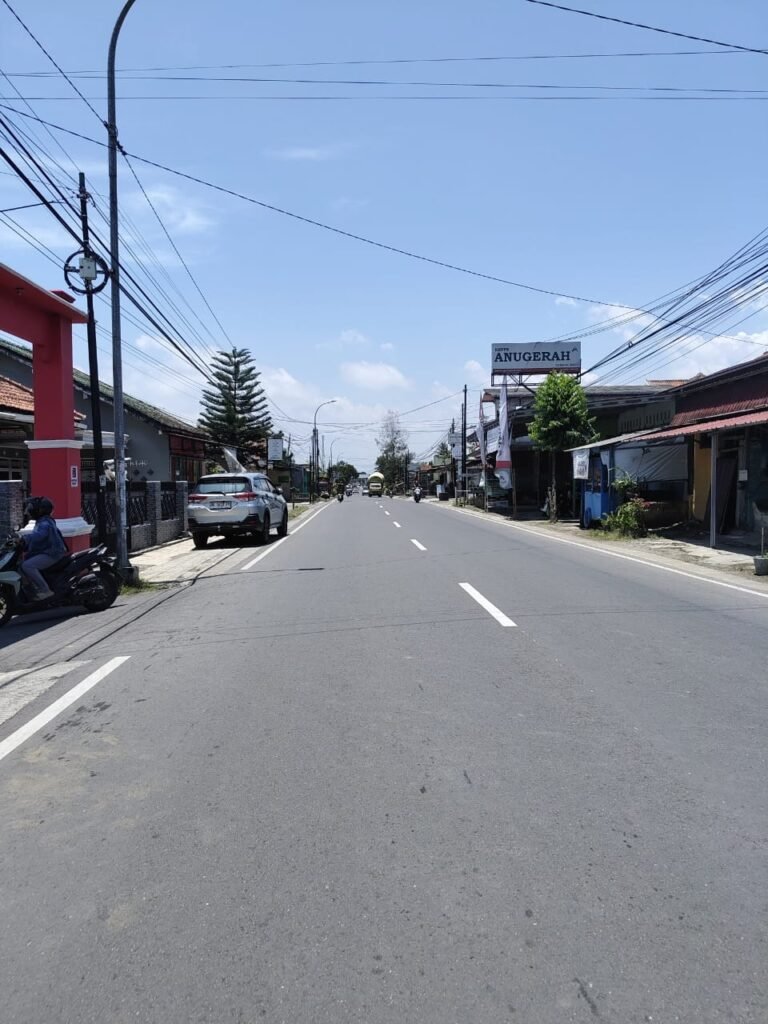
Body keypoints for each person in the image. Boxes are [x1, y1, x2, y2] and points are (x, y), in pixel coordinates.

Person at [20, 496, 68, 601]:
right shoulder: (42, 521)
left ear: (40, 510)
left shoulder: (45, 523)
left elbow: (39, 535)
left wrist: (24, 538)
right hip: (46, 551)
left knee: (27, 566)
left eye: (31, 508)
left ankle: (45, 590)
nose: (29, 511)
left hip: (52, 553)